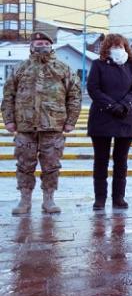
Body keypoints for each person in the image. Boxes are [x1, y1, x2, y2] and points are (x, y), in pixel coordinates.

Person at [2, 31, 81, 214]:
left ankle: (49, 200)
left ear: (51, 45)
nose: (41, 46)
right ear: (31, 46)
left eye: (45, 43)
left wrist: (71, 121)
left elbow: (74, 96)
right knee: (24, 165)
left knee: (51, 165)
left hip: (53, 126)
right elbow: (8, 96)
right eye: (38, 43)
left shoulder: (62, 68)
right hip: (25, 126)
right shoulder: (20, 68)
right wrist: (9, 120)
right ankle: (24, 200)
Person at [86, 34, 132, 210]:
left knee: (121, 160)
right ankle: (100, 198)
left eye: (120, 46)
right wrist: (111, 106)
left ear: (126, 47)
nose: (117, 49)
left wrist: (124, 104)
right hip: (102, 118)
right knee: (101, 160)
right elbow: (93, 89)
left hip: (127, 118)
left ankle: (119, 197)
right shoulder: (98, 65)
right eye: (113, 46)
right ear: (106, 48)